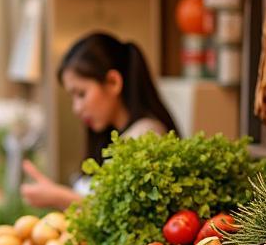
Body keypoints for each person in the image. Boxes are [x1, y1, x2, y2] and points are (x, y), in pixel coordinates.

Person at [21, 32, 179, 210]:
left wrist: (60, 197)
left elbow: (123, 215)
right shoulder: (110, 137)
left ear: (113, 82)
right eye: (73, 97)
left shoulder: (146, 136)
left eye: (81, 94)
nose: (77, 108)